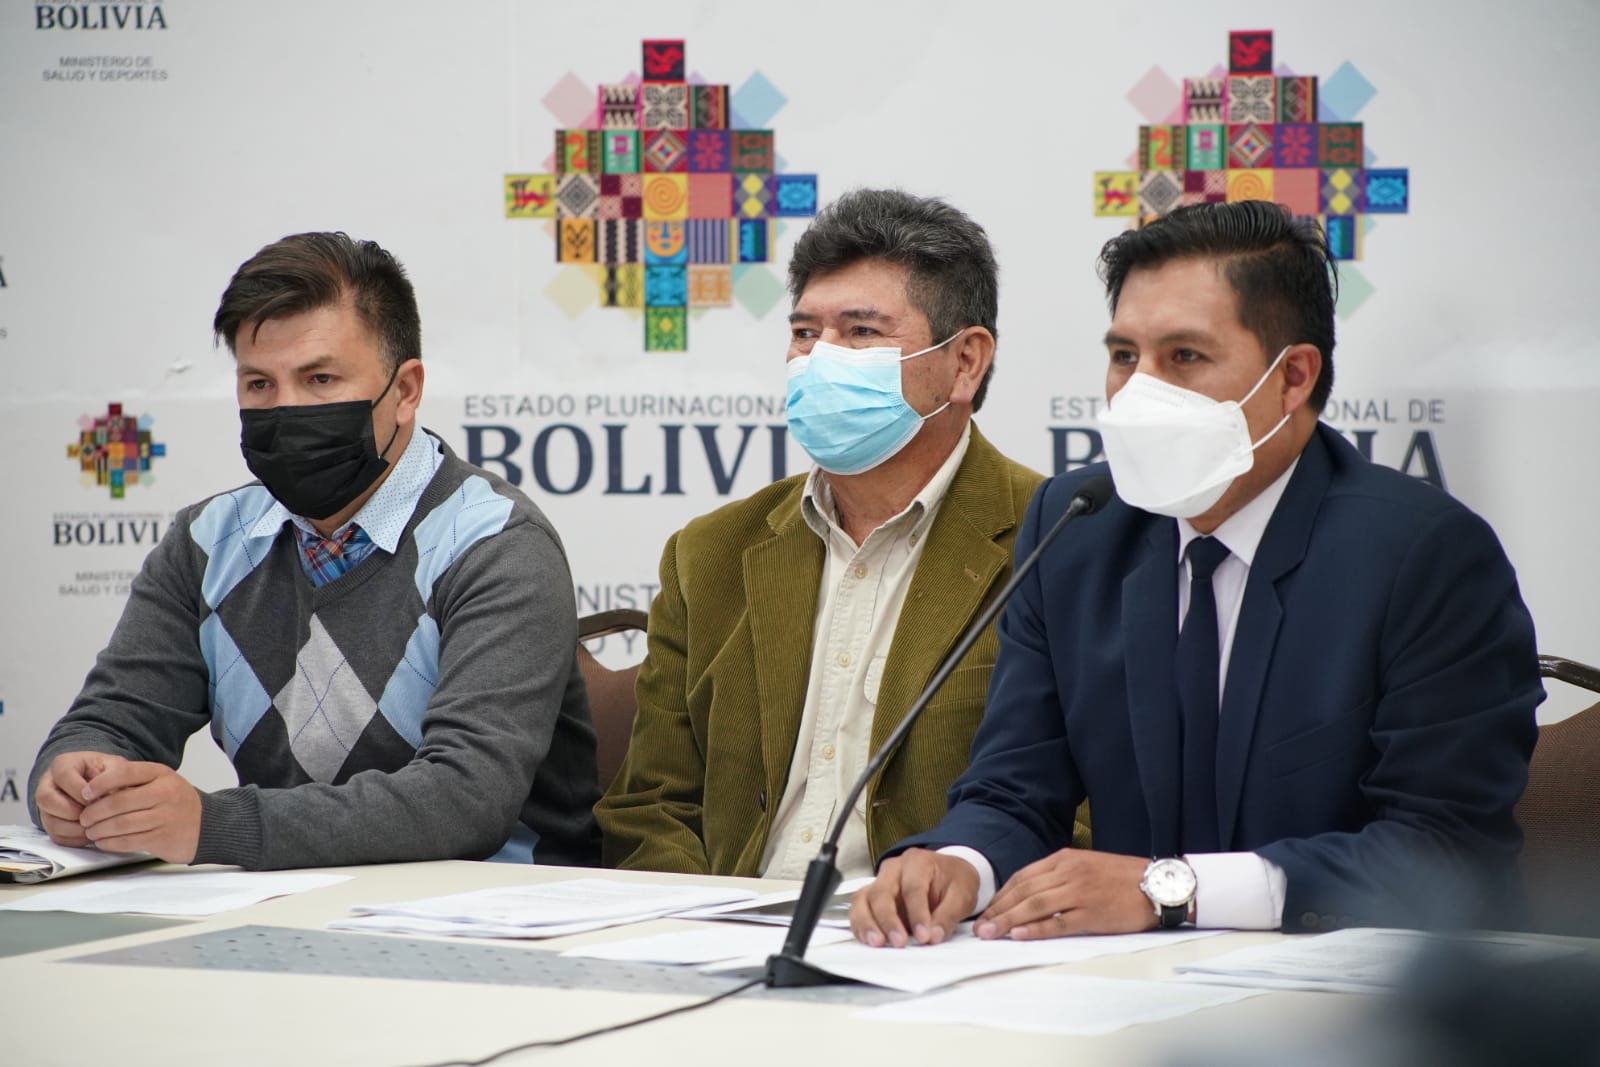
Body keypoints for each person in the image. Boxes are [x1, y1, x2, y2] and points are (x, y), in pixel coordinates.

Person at [851, 200, 1542, 946]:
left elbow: (1444, 850)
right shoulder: (1078, 527)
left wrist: (1171, 891)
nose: (1137, 390)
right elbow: (1015, 786)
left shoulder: (1424, 555)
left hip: (1357, 987)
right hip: (1129, 986)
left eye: (1183, 356)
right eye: (1124, 356)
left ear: (1293, 377)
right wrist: (960, 863)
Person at [30, 232, 600, 869]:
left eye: (320, 379)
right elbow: (111, 722)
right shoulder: (206, 543)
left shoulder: (494, 542)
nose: (286, 410)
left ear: (405, 391)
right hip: (287, 905)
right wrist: (73, 779)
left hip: (500, 906)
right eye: (259, 384)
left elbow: (466, 798)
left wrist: (213, 826)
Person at [595, 188, 1086, 879]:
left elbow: (1086, 813)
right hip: (724, 923)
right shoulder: (710, 552)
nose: (819, 358)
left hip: (942, 929)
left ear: (965, 362)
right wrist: (702, 921)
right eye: (804, 333)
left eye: (860, 332)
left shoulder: (1061, 541)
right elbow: (649, 806)